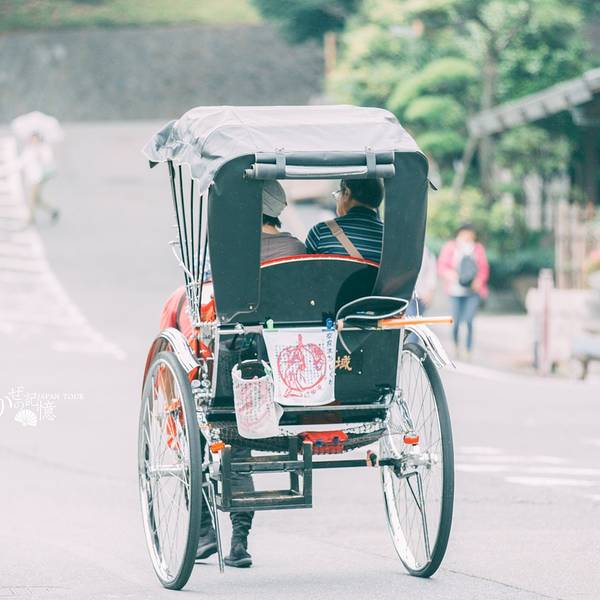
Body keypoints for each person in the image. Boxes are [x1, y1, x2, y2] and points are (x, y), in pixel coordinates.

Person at [159, 180, 304, 568]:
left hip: (231, 364)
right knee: (238, 448)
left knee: (207, 435)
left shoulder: (228, 253)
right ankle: (239, 541)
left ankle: (205, 532)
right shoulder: (297, 251)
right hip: (288, 366)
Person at [438, 224, 489, 359]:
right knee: (455, 321)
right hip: (455, 291)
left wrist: (479, 280)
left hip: (472, 292)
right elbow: (442, 266)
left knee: (469, 320)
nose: (467, 236)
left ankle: (468, 349)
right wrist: (450, 274)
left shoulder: (478, 249)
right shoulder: (450, 247)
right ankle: (456, 346)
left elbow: (484, 268)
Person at [305, 178, 384, 262]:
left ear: (346, 193)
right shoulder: (387, 236)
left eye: (338, 193)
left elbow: (304, 268)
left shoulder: (321, 231)